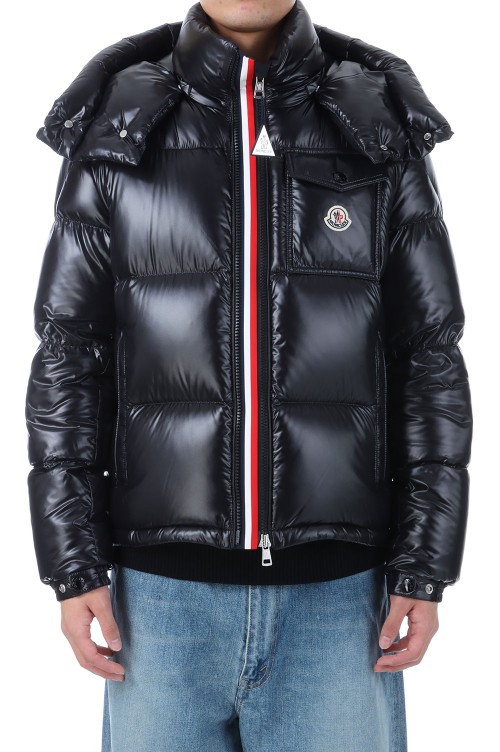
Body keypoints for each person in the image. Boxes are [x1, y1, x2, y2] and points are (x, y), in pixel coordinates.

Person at [25, 1, 473, 750]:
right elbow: (69, 355)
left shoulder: (373, 120)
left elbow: (428, 355)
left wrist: (425, 564)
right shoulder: (119, 122)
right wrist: (72, 564)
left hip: (340, 604)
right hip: (158, 608)